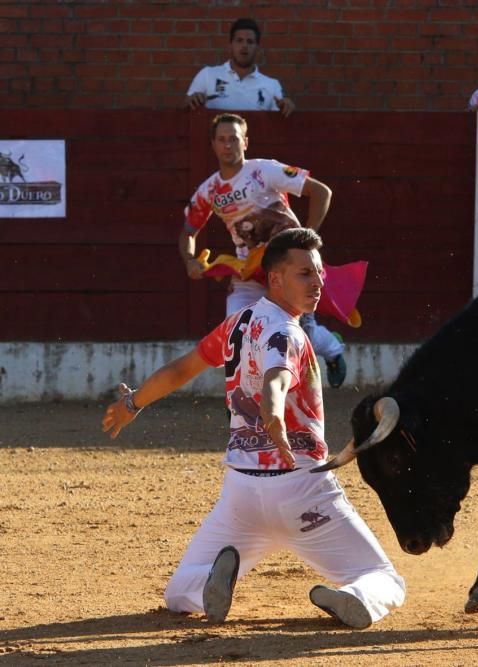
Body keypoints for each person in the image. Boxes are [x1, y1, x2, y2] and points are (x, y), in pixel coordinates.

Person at [102, 228, 405, 627]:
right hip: (300, 488)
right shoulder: (289, 332)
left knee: (178, 593)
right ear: (275, 279)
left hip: (242, 494)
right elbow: (277, 377)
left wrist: (132, 403)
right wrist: (273, 413)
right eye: (304, 274)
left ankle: (206, 586)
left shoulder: (236, 323)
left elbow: (183, 368)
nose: (317, 283)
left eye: (318, 273)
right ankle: (352, 595)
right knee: (385, 580)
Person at [179, 113, 347, 388]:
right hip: (249, 269)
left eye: (233, 139)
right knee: (236, 330)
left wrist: (307, 238)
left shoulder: (264, 170)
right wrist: (189, 260)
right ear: (213, 145)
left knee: (300, 332)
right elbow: (187, 233)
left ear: (245, 142)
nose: (227, 145)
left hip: (287, 263)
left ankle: (331, 348)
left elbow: (322, 192)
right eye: (221, 139)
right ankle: (241, 396)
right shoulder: (209, 190)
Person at [185, 17, 295, 118]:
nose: (244, 46)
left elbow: (280, 123)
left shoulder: (272, 85)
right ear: (230, 45)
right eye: (239, 40)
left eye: (250, 41)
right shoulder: (208, 75)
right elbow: (186, 107)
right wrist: (192, 100)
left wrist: (286, 107)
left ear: (257, 48)